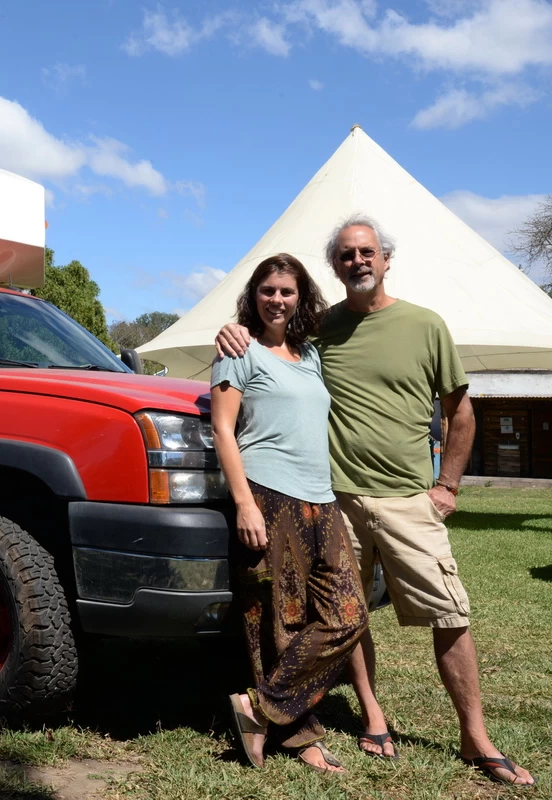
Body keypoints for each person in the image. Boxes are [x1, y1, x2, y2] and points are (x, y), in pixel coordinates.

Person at [216, 215, 536, 787]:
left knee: (449, 611)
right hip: (335, 497)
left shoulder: (424, 324)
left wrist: (449, 486)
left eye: (367, 252)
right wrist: (230, 330)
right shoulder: (321, 334)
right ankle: (373, 716)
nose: (358, 261)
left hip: (409, 498)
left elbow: (460, 411)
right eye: (345, 255)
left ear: (386, 259)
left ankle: (475, 736)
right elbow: (261, 353)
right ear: (335, 268)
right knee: (345, 616)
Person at [212, 253, 368, 773]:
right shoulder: (238, 351)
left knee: (348, 616)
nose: (276, 299)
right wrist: (243, 503)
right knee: (278, 624)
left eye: (287, 291)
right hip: (267, 495)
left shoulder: (311, 355)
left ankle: (257, 709)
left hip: (320, 500)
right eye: (267, 290)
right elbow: (222, 431)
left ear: (301, 297)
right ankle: (298, 736)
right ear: (253, 294)